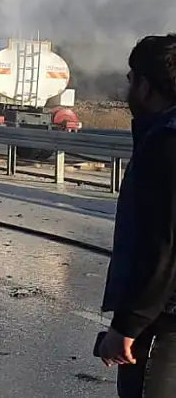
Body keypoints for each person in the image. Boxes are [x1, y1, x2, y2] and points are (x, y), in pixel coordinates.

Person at [98, 34, 176, 396]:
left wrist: (128, 325)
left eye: (131, 79)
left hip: (165, 324)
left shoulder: (165, 145)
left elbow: (162, 244)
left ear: (146, 86)